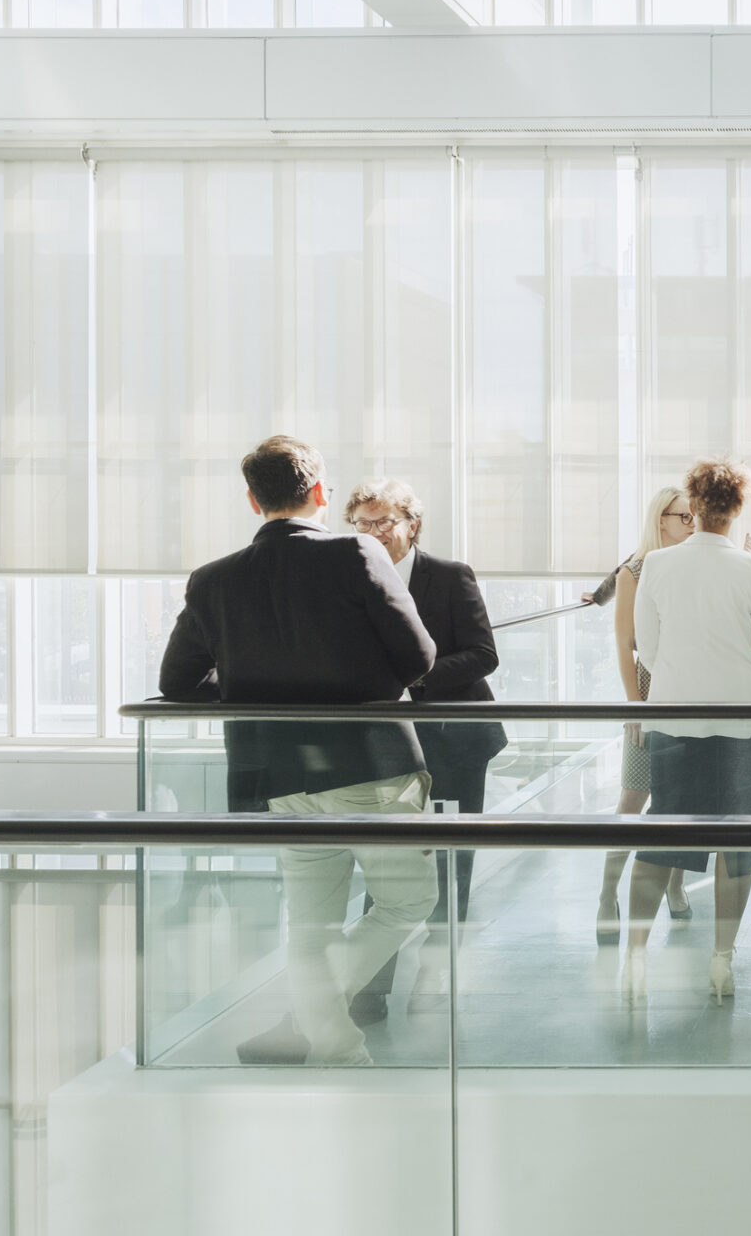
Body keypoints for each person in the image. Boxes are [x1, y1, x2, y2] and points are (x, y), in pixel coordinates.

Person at [159, 436, 438, 1067]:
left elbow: (177, 685)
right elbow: (420, 657)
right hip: (373, 766)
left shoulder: (214, 579)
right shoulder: (358, 551)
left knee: (310, 924)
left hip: (282, 773)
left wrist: (255, 687)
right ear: (319, 493)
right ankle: (327, 1004)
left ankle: (336, 1048)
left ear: (254, 501)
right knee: (408, 901)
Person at [342, 479, 509, 1025]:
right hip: (386, 746)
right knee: (385, 865)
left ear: (412, 524)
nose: (372, 532)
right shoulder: (350, 575)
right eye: (362, 523)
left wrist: (414, 680)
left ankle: (437, 971)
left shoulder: (449, 575)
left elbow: (484, 655)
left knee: (452, 864)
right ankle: (370, 988)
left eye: (383, 521)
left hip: (456, 742)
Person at [623, 459, 751, 1003]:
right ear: (737, 510)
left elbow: (646, 645)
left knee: (660, 837)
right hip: (745, 721)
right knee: (736, 845)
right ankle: (721, 963)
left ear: (692, 508)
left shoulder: (657, 566)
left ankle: (635, 960)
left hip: (678, 717)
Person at [588, 488, 694, 947]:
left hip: (690, 691)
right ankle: (607, 894)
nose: (691, 522)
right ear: (661, 519)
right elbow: (624, 644)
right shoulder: (635, 570)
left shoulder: (693, 565)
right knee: (635, 797)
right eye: (682, 515)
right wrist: (635, 705)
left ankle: (675, 884)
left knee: (680, 800)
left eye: (694, 515)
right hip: (650, 690)